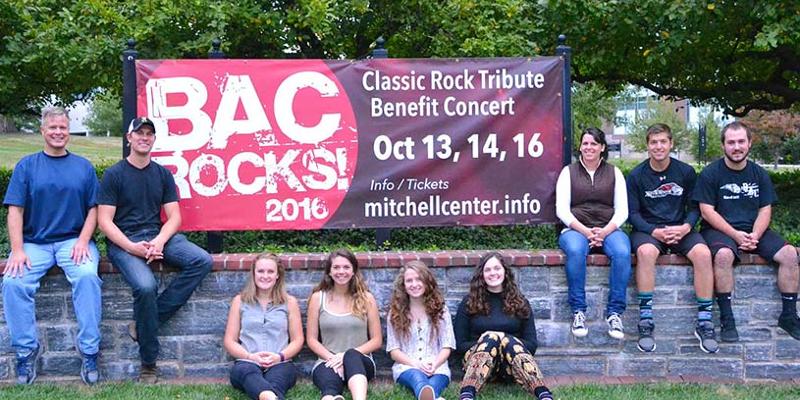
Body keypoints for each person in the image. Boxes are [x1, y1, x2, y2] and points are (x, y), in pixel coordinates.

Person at [97, 117, 213, 383]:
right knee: (146, 286)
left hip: (157, 236)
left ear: (153, 139)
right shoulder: (114, 174)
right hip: (124, 243)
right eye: (139, 133)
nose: (144, 137)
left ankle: (145, 323)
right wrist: (133, 248)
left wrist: (159, 241)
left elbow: (174, 217)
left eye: (149, 134)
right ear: (129, 138)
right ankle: (149, 364)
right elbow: (105, 221)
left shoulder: (162, 174)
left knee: (201, 260)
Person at [2, 106, 102, 385]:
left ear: (68, 132)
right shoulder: (27, 166)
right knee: (13, 282)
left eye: (63, 128)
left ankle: (90, 351)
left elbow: (94, 208)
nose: (58, 132)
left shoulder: (83, 166)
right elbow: (15, 211)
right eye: (53, 128)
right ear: (43, 131)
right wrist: (18, 249)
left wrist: (83, 240)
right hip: (35, 244)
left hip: (73, 241)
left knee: (86, 277)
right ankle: (25, 351)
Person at [694, 121, 800, 342]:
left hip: (755, 231)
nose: (736, 147)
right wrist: (735, 235)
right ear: (723, 145)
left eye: (741, 141)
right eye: (731, 142)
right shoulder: (710, 173)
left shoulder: (759, 174)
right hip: (719, 230)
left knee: (790, 254)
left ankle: (789, 316)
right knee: (723, 256)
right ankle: (727, 318)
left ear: (750, 143)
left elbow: (765, 209)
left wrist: (755, 236)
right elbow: (706, 211)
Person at [627, 123, 719, 353]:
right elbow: (632, 214)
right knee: (646, 252)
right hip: (649, 230)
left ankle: (705, 321)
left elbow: (695, 207)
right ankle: (646, 320)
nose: (658, 146)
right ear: (647, 145)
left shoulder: (686, 172)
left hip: (681, 229)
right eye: (653, 142)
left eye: (663, 142)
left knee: (703, 253)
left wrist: (687, 226)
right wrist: (652, 231)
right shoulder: (637, 175)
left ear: (671, 144)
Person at [556, 127, 631, 339]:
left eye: (594, 144)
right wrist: (586, 231)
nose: (589, 147)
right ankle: (578, 311)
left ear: (602, 147)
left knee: (623, 252)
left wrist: (605, 231)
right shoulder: (568, 172)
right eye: (585, 143)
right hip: (575, 229)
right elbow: (561, 210)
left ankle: (615, 313)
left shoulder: (614, 173)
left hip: (608, 228)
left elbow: (622, 210)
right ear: (580, 147)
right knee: (576, 251)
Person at [454, 252, 553, 400]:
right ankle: (467, 394)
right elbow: (459, 345)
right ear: (481, 275)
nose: (493, 273)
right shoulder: (469, 302)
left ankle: (543, 393)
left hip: (512, 368)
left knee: (507, 340)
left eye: (497, 268)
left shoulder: (520, 302)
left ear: (505, 272)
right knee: (491, 337)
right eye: (488, 270)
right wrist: (488, 340)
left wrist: (504, 338)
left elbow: (531, 345)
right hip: (478, 367)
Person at [223, 254, 303, 400]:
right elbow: (229, 340)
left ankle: (269, 396)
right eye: (261, 271)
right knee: (249, 374)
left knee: (277, 381)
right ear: (254, 273)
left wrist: (279, 357)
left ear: (278, 275)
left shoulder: (289, 302)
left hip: (280, 362)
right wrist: (250, 356)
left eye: (270, 272)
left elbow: (298, 340)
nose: (265, 276)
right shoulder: (239, 301)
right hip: (247, 362)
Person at [306, 248, 382, 400]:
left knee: (351, 355)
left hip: (361, 360)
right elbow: (311, 340)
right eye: (336, 267)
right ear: (329, 271)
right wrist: (333, 359)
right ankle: (330, 397)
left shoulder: (367, 298)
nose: (341, 271)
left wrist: (345, 357)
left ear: (353, 270)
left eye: (346, 267)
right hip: (327, 359)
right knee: (329, 383)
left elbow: (376, 340)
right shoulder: (317, 298)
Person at [386, 261, 455, 400]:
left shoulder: (441, 310)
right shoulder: (395, 313)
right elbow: (394, 350)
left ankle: (428, 396)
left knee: (434, 383)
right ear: (404, 286)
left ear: (426, 281)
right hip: (407, 367)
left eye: (419, 279)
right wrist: (416, 365)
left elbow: (447, 345)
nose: (414, 284)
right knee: (418, 379)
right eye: (409, 281)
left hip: (437, 366)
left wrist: (434, 364)